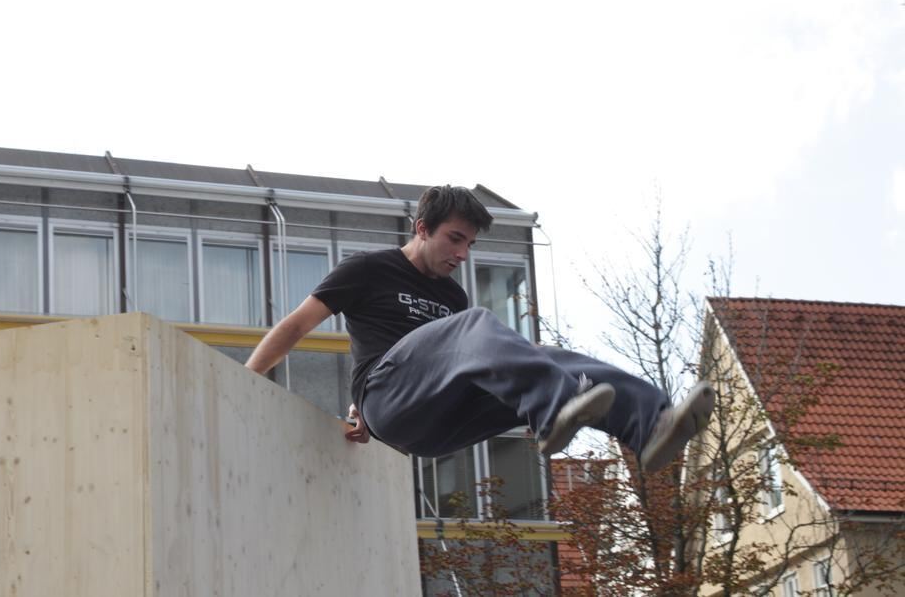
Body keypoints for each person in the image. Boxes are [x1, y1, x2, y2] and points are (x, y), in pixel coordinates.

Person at [245, 185, 713, 470]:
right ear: (422, 228)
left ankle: (650, 425)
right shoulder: (366, 270)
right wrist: (246, 380)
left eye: (469, 243)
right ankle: (554, 411)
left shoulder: (454, 298)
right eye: (454, 239)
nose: (462, 255)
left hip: (439, 425)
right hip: (388, 399)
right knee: (476, 328)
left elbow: (452, 360)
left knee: (552, 357)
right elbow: (296, 324)